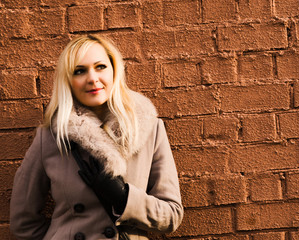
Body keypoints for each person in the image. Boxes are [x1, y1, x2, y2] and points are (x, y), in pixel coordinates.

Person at [10, 35, 184, 240]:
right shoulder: (50, 137)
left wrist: (124, 199)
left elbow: (172, 215)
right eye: (80, 71)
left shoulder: (149, 129)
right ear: (68, 81)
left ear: (114, 71)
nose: (92, 78)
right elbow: (23, 222)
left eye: (100, 66)